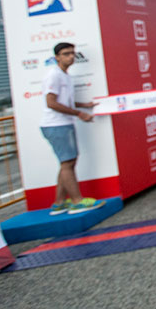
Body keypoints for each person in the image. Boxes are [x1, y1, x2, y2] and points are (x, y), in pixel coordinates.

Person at [40, 42, 105, 215]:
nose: (70, 56)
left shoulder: (65, 75)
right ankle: (77, 201)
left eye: (72, 53)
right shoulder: (53, 75)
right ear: (57, 57)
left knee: (67, 163)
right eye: (66, 53)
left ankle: (59, 202)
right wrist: (79, 114)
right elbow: (51, 103)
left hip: (63, 123)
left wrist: (85, 105)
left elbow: (64, 100)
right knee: (67, 163)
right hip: (55, 124)